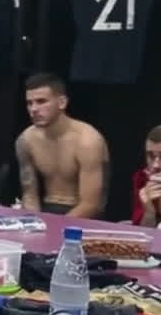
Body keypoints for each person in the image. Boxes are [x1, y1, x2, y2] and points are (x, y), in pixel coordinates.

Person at [15, 72, 109, 218]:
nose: (33, 109)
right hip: (47, 210)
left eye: (41, 101)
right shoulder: (26, 140)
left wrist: (56, 226)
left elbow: (92, 204)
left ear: (62, 103)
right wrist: (33, 222)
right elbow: (29, 194)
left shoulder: (88, 140)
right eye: (29, 103)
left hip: (84, 216)